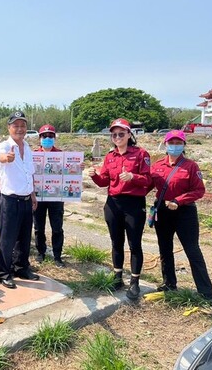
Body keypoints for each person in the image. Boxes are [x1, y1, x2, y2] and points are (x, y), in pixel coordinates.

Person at [150, 130, 212, 308]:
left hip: (185, 213)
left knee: (192, 251)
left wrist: (179, 201)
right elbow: (146, 184)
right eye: (171, 142)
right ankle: (169, 284)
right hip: (163, 211)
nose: (174, 145)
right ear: (165, 145)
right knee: (165, 249)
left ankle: (206, 292)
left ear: (183, 145)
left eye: (178, 142)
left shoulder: (191, 166)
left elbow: (199, 191)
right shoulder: (157, 166)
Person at [88, 118, 151, 300]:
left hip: (133, 204)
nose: (117, 137)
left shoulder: (140, 154)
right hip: (113, 203)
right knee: (116, 242)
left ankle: (134, 282)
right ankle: (117, 277)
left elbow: (148, 179)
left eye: (121, 134)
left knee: (134, 244)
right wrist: (94, 176)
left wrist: (133, 177)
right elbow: (104, 181)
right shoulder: (110, 156)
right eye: (114, 134)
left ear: (129, 134)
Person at [0, 111, 39, 289]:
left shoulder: (27, 147)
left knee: (24, 236)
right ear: (9, 127)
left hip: (27, 199)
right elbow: (0, 157)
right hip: (10, 200)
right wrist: (7, 158)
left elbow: (30, 173)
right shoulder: (4, 146)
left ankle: (22, 267)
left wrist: (33, 194)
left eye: (23, 126)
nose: (19, 129)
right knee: (7, 238)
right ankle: (4, 272)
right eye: (16, 126)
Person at [33, 124, 66, 268]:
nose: (47, 138)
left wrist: (79, 168)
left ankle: (57, 256)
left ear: (55, 138)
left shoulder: (62, 155)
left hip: (56, 197)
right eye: (44, 136)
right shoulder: (33, 155)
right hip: (38, 197)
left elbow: (69, 173)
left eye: (50, 136)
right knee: (39, 227)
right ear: (40, 138)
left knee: (57, 227)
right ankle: (41, 252)